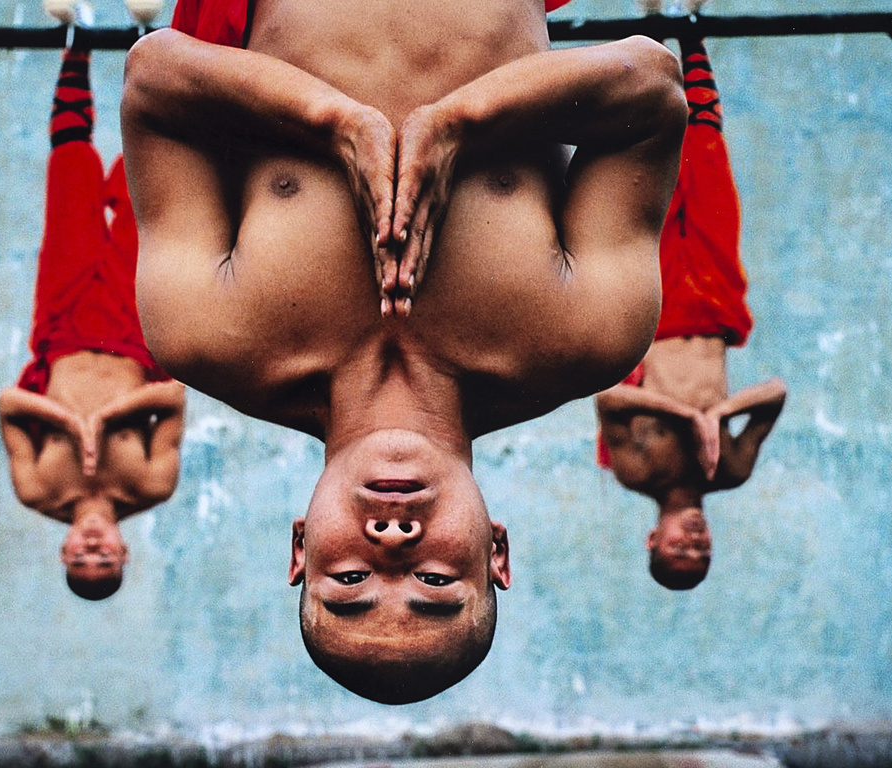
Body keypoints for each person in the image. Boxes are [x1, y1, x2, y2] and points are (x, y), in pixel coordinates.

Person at [121, 0, 686, 702]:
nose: (391, 541)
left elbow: (153, 79)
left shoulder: (204, 333)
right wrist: (460, 123)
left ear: (301, 549)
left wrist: (333, 121)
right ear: (496, 552)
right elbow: (654, 89)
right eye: (437, 584)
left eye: (350, 583)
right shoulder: (586, 337)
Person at [594, 36, 786, 591]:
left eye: (680, 548)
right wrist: (718, 416)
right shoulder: (729, 469)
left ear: (653, 539)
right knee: (706, 170)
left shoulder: (637, 472)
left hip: (653, 307)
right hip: (714, 306)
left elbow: (610, 398)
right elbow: (775, 392)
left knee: (646, 181)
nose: (694, 539)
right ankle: (693, 36)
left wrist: (684, 416)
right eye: (702, 551)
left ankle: (645, 50)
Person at [0, 47, 186, 602]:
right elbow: (173, 398)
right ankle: (151, 47)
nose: (93, 547)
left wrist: (66, 420)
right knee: (143, 193)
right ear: (124, 552)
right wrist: (102, 420)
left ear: (64, 551)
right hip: (133, 328)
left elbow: (8, 404)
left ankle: (73, 45)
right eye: (103, 558)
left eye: (82, 557)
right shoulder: (151, 484)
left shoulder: (36, 489)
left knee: (70, 191)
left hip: (63, 329)